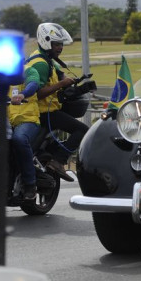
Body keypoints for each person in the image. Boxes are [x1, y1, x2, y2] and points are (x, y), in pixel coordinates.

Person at [29, 22, 89, 181]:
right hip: (44, 113)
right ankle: (59, 161)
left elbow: (58, 72)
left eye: (61, 44)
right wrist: (61, 84)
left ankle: (50, 155)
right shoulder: (41, 64)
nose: (60, 48)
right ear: (45, 41)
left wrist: (69, 81)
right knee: (82, 130)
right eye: (56, 44)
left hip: (48, 111)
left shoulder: (45, 58)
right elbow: (37, 94)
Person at [9, 63, 42, 201]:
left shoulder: (28, 70)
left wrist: (23, 94)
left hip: (27, 119)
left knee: (19, 139)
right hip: (4, 120)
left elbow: (33, 84)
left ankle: (30, 184)